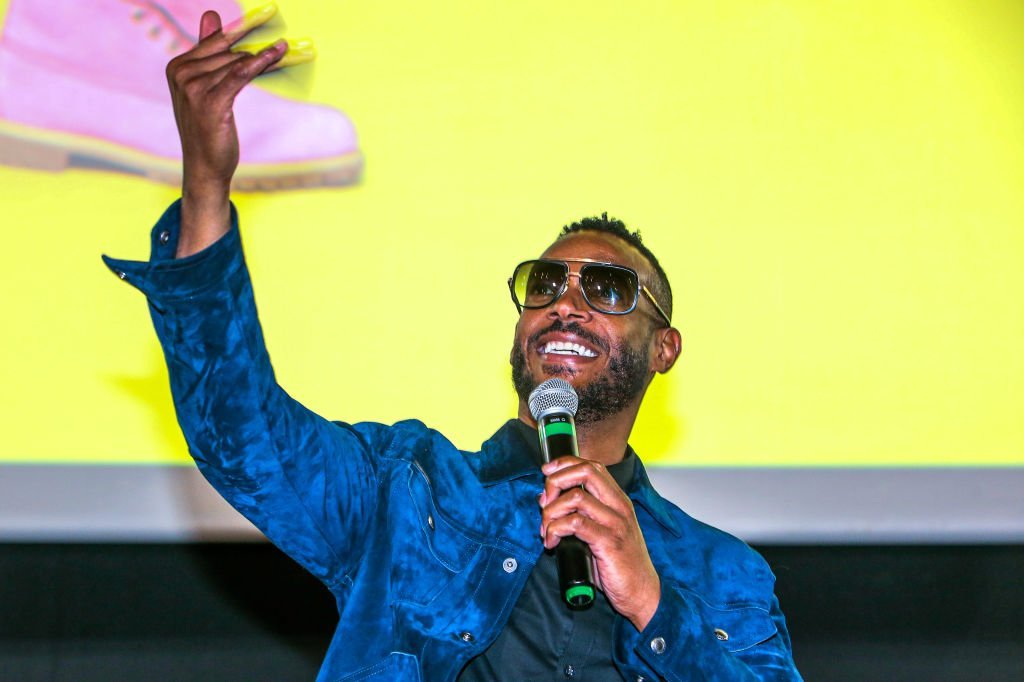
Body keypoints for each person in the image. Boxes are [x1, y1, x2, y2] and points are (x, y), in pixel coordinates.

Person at [104, 10, 802, 681]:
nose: (565, 303)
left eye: (610, 290)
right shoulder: (406, 493)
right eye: (546, 283)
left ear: (665, 349)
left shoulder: (722, 572)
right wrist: (204, 185)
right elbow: (239, 433)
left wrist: (654, 605)